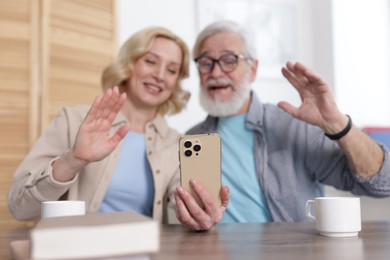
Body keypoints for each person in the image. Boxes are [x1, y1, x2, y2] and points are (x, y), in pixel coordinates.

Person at [174, 20, 390, 230]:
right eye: (205, 62)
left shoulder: (293, 127)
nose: (216, 72)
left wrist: (338, 124)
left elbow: (382, 183)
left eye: (229, 60)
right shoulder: (192, 139)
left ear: (253, 69)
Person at [8, 26, 191, 224]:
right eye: (150, 61)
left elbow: (180, 219)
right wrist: (73, 160)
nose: (160, 75)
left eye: (172, 70)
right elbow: (20, 207)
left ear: (176, 82)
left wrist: (196, 211)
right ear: (129, 63)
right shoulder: (74, 120)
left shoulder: (177, 144)